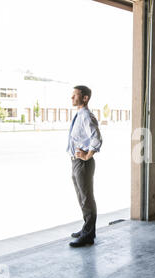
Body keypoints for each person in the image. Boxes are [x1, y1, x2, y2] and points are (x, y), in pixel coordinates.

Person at [67, 85, 102, 247]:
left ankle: (88, 235)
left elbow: (96, 138)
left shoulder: (86, 116)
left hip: (83, 163)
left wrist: (88, 155)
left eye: (75, 95)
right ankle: (87, 229)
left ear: (85, 98)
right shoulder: (80, 115)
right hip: (76, 161)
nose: (72, 98)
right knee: (82, 198)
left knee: (87, 198)